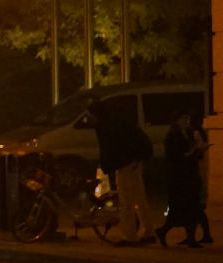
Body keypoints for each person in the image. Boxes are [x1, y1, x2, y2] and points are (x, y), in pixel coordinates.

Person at [88, 98, 155, 245]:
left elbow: (108, 148)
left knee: (126, 202)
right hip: (136, 161)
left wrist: (106, 167)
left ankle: (128, 236)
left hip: (125, 164)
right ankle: (149, 231)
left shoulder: (104, 125)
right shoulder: (117, 120)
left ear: (95, 114)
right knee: (140, 198)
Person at [161, 112, 209, 248]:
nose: (187, 121)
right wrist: (190, 153)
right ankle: (169, 232)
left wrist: (199, 151)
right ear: (176, 121)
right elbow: (174, 157)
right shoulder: (173, 136)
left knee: (192, 207)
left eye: (188, 118)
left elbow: (191, 154)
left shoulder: (188, 133)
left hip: (190, 175)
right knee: (185, 208)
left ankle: (190, 237)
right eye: (184, 119)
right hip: (180, 178)